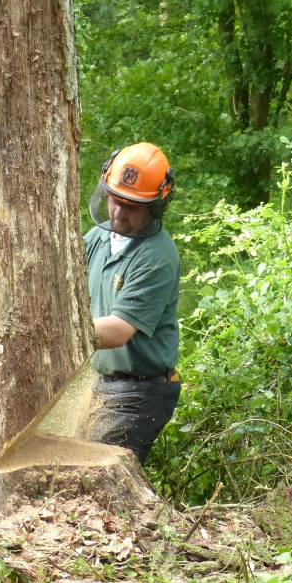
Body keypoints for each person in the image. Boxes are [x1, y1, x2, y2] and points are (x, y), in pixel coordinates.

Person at [85, 142, 181, 464]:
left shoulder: (157, 257)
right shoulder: (97, 239)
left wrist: (54, 333)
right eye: (115, 200)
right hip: (103, 382)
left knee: (93, 471)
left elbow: (117, 331)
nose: (119, 213)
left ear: (155, 206)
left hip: (140, 391)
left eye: (132, 206)